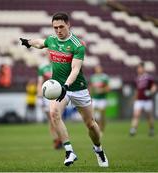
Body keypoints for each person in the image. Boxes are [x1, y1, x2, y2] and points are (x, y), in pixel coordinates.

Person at [20, 12, 108, 167]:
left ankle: (99, 149)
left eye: (61, 26)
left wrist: (66, 86)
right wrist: (28, 42)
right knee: (54, 114)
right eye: (55, 27)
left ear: (69, 25)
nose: (58, 30)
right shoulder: (52, 40)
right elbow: (41, 43)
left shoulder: (77, 45)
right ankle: (69, 151)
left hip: (78, 88)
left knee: (91, 125)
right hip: (58, 88)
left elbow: (75, 69)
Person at [37, 57, 62, 149]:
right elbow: (40, 83)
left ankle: (59, 139)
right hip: (46, 96)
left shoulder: (59, 66)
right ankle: (57, 139)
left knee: (56, 118)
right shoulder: (43, 67)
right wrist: (39, 95)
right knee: (51, 119)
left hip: (58, 94)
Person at [130, 62, 157, 136]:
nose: (138, 69)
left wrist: (150, 92)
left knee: (149, 116)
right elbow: (136, 91)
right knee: (136, 115)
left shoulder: (148, 77)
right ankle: (133, 129)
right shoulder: (137, 79)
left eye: (139, 68)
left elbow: (154, 87)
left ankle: (151, 129)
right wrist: (134, 99)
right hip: (139, 100)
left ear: (143, 68)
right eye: (137, 68)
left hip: (147, 100)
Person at [90, 64, 110, 136]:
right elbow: (91, 88)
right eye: (97, 68)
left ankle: (102, 130)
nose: (98, 70)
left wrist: (102, 90)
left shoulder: (104, 77)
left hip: (102, 99)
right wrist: (90, 96)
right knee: (94, 115)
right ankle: (97, 128)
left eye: (99, 68)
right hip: (95, 98)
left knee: (102, 115)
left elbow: (108, 88)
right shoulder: (93, 77)